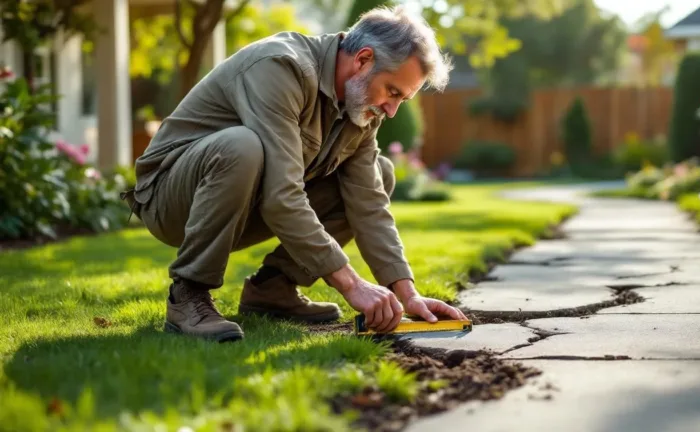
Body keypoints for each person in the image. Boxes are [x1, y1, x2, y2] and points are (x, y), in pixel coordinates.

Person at [122, 6, 467, 342]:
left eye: (401, 100)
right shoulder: (280, 67)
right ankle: (188, 294)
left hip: (245, 201)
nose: (391, 111)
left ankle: (273, 288)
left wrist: (407, 293)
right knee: (242, 146)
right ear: (362, 60)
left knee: (381, 173)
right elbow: (281, 195)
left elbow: (369, 203)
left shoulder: (360, 104)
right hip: (172, 198)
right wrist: (351, 283)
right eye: (392, 92)